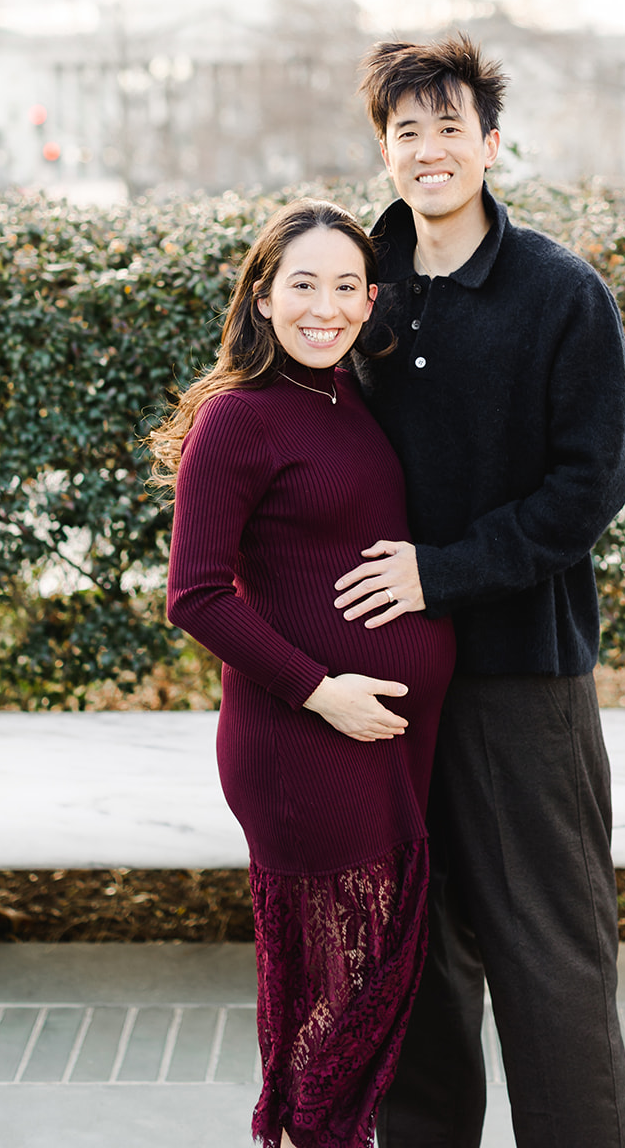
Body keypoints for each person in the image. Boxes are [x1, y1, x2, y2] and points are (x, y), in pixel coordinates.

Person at [334, 35, 625, 1148]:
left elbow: (584, 487)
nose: (427, 149)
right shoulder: (351, 288)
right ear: (383, 151)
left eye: (448, 126)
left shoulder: (559, 293)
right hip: (385, 683)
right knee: (407, 957)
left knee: (550, 958)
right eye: (404, 131)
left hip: (518, 680)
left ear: (490, 144)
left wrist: (440, 571)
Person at [151, 200, 456, 1148]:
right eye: (301, 285)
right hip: (302, 744)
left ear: (369, 300)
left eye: (342, 287)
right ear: (262, 295)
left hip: (383, 742)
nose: (322, 307)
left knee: (367, 993)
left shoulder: (344, 394)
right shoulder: (237, 419)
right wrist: (323, 691)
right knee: (337, 1007)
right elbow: (195, 596)